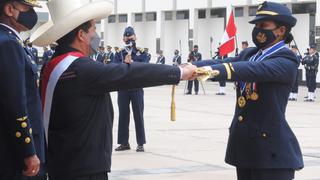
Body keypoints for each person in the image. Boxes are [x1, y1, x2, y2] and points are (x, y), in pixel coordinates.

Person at [30, 0, 196, 179]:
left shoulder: (53, 64)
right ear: (81, 34)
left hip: (64, 161)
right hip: (83, 167)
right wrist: (179, 71)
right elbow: (130, 74)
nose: (96, 35)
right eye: (93, 29)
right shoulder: (80, 68)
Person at [194, 2, 303, 179]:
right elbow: (222, 62)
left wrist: (206, 72)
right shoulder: (251, 54)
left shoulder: (286, 60)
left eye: (263, 25)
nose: (258, 30)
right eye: (256, 25)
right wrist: (188, 68)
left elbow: (249, 70)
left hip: (271, 154)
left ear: (281, 30)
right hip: (246, 148)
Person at [0, 0, 45, 179]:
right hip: (16, 151)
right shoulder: (8, 44)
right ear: (10, 10)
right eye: (27, 9)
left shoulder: (10, 41)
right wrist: (28, 151)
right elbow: (15, 102)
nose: (32, 14)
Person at [113, 27, 151, 152]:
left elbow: (145, 67)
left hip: (136, 88)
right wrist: (124, 63)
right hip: (123, 88)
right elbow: (113, 67)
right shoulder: (119, 53)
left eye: (131, 36)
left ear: (136, 37)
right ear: (123, 38)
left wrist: (133, 62)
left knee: (138, 115)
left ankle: (140, 143)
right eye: (127, 36)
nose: (129, 39)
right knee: (123, 115)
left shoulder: (142, 53)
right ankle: (124, 143)